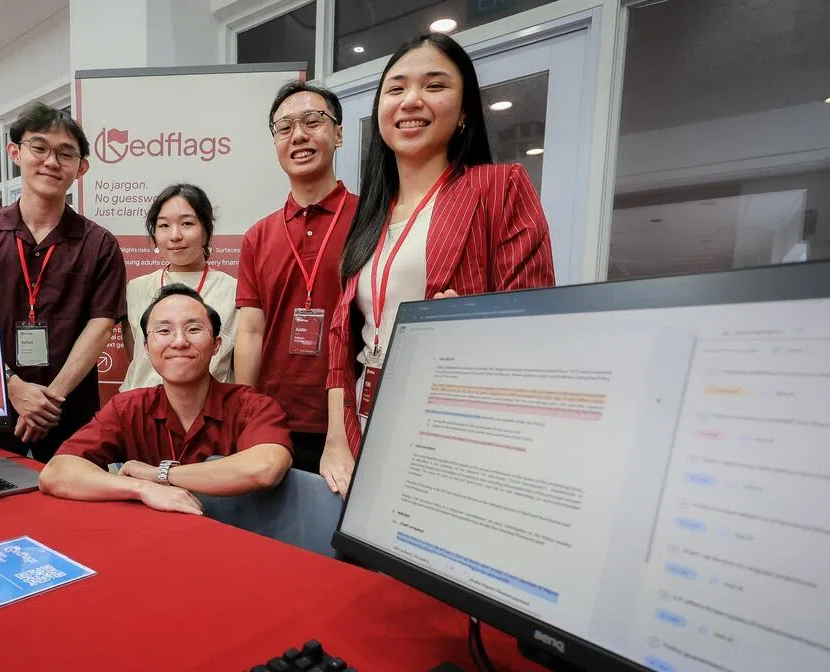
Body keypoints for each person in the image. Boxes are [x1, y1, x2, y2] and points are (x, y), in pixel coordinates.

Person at [321, 33, 556, 497]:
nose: (411, 100)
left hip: (454, 425)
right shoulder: (370, 213)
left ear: (465, 109)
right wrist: (335, 440)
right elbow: (342, 337)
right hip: (364, 419)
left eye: (434, 86)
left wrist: (471, 327)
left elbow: (533, 323)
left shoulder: (498, 187)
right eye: (396, 88)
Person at [0, 102, 126, 463]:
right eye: (39, 148)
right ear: (15, 152)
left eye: (65, 153)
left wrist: (50, 400)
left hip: (68, 410)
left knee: (73, 511)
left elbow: (101, 325)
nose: (51, 162)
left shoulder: (99, 244)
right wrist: (13, 386)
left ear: (81, 167)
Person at [40, 284, 293, 514]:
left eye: (193, 329)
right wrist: (141, 488)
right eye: (164, 331)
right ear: (147, 347)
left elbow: (265, 468)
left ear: (216, 345)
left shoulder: (252, 406)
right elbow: (56, 473)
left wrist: (159, 474)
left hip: (235, 544)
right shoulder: (128, 408)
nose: (180, 342)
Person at [235, 82, 358, 474]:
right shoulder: (258, 235)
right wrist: (246, 410)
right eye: (284, 127)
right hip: (276, 418)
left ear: (338, 134)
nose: (299, 135)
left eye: (312, 121)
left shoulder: (371, 219)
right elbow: (251, 332)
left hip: (352, 417)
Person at [119, 184, 237, 391]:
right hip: (140, 407)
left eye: (187, 223)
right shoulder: (136, 289)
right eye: (164, 226)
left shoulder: (234, 291)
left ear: (206, 231)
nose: (175, 235)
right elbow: (138, 357)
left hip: (208, 411)